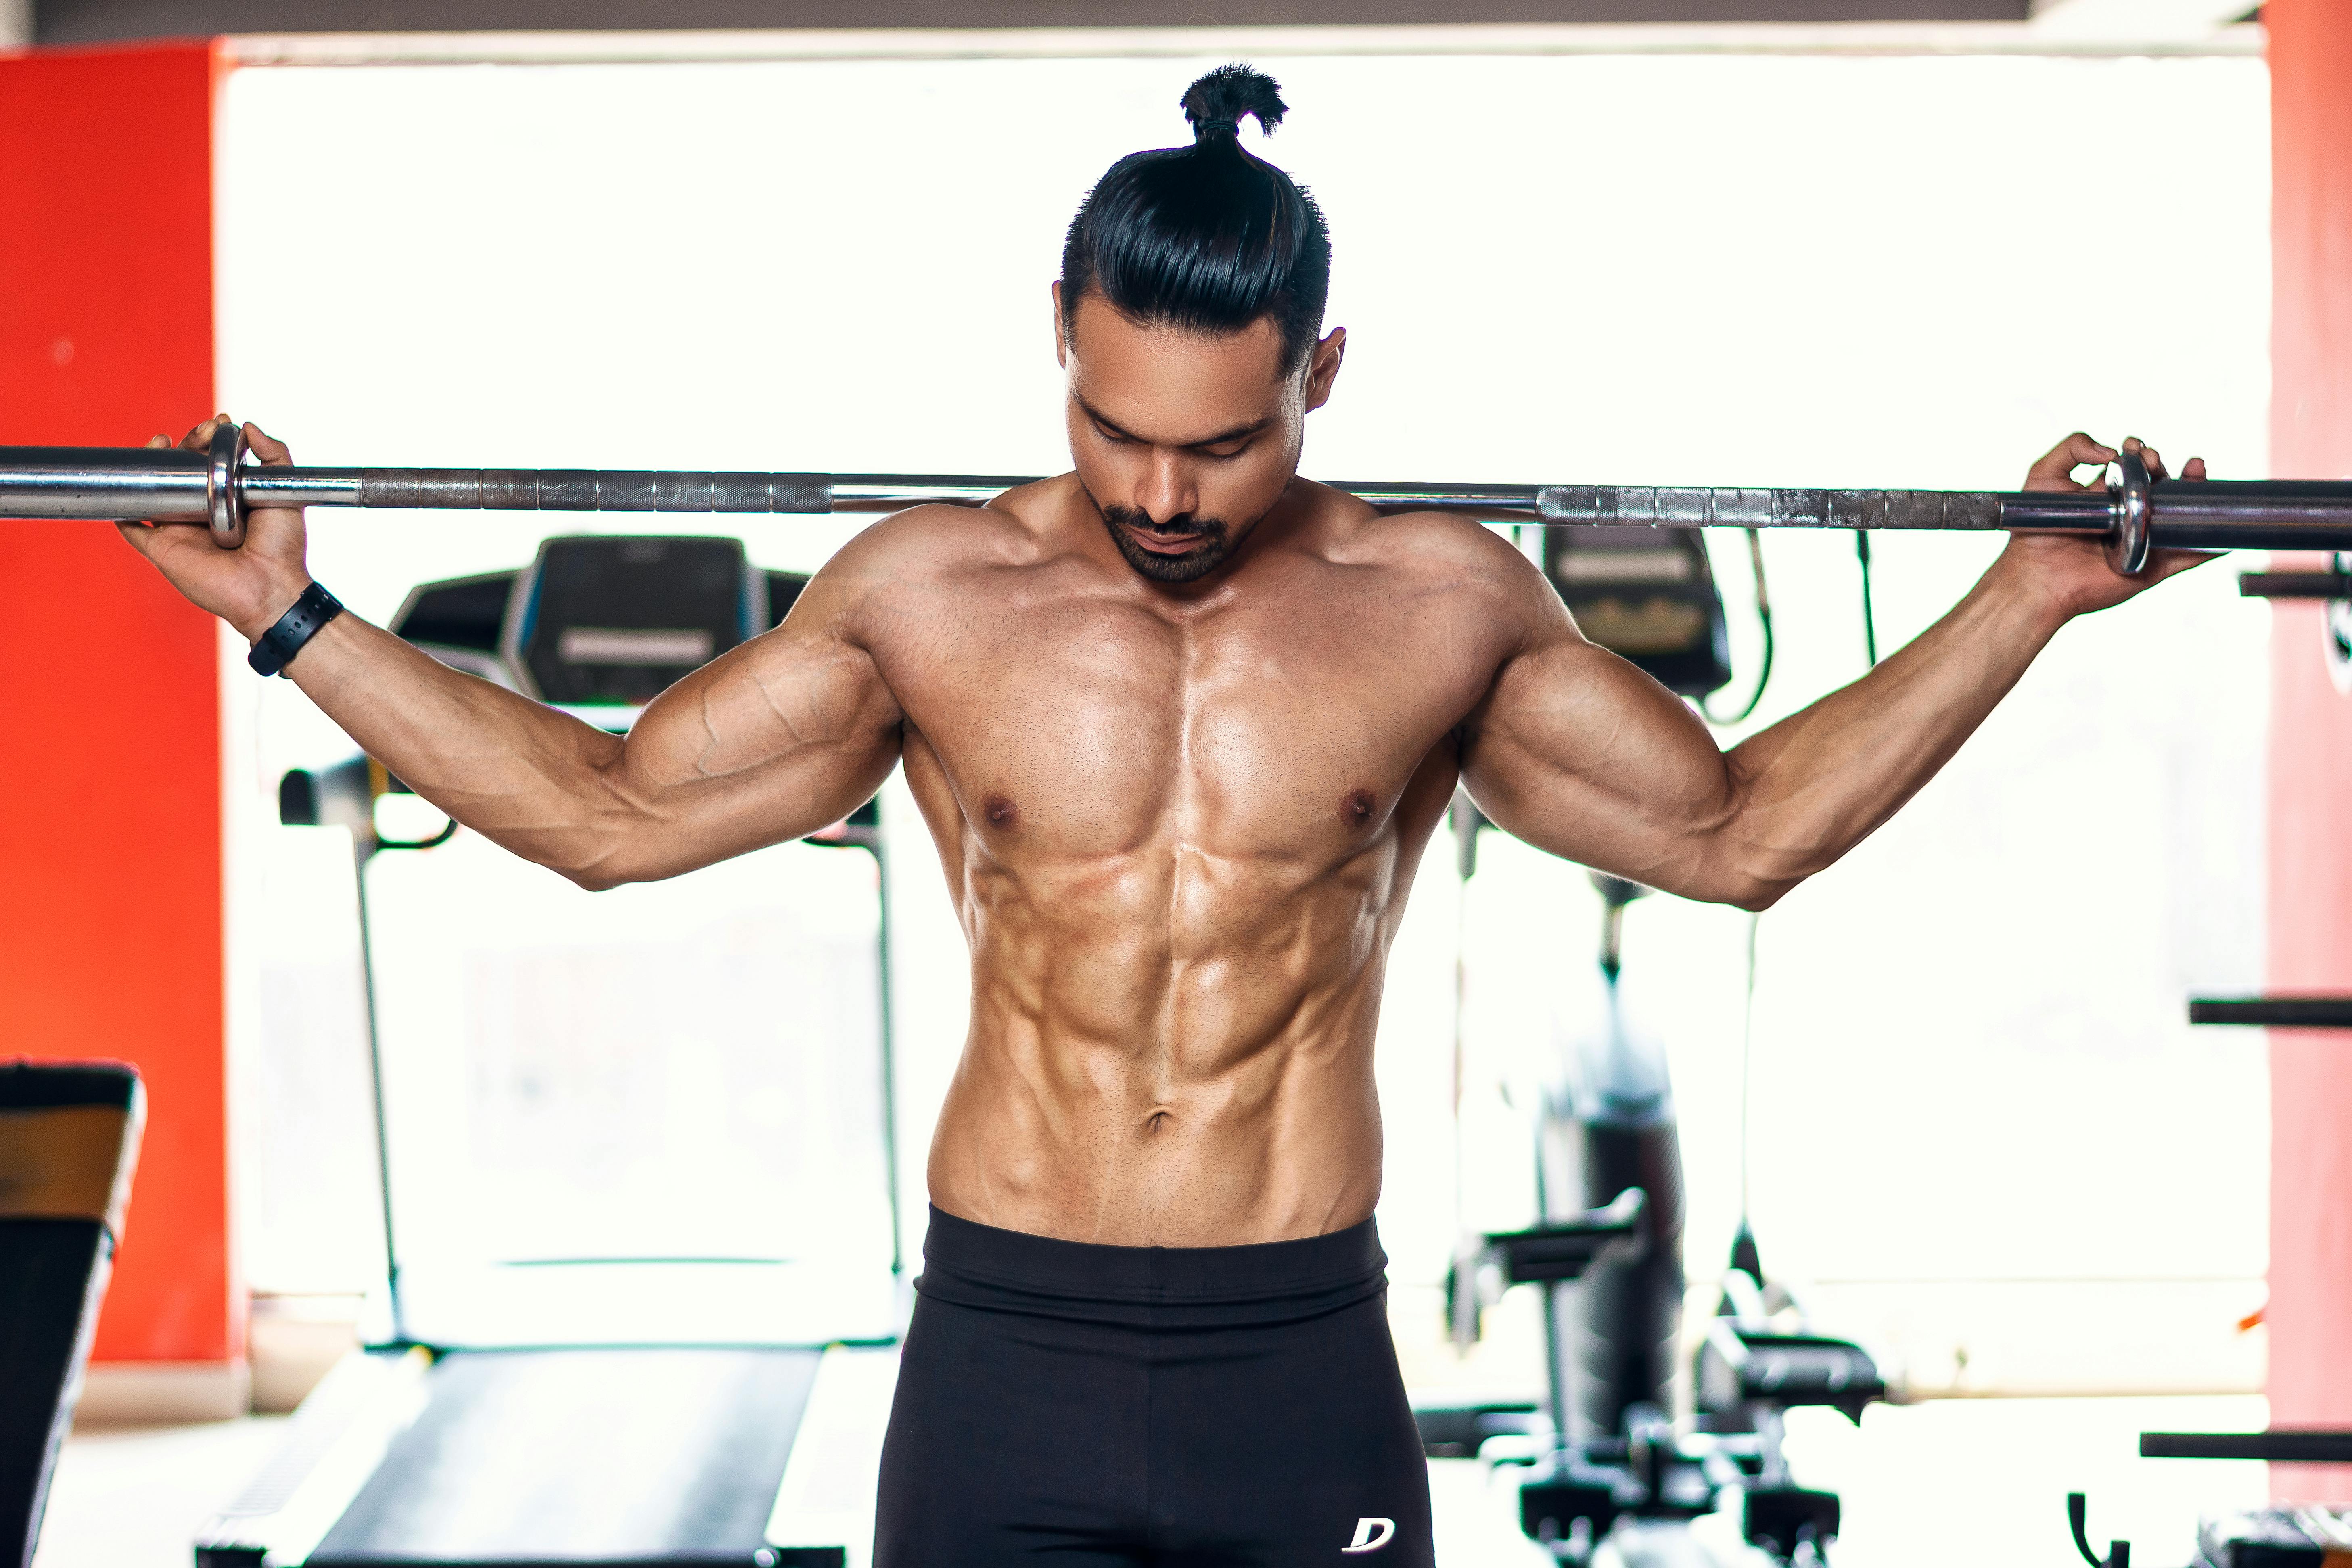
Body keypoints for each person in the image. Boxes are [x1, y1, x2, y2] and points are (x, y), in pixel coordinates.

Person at [119, 62, 2206, 1568]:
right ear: (1056, 338)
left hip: (1295, 1351)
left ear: (1323, 374)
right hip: (1002, 1347)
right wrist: (285, 611)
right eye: (1113, 428)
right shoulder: (931, 600)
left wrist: (2025, 590)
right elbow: (600, 812)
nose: (1159, 496)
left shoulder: (1438, 605)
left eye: (1221, 443)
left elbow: (1740, 831)